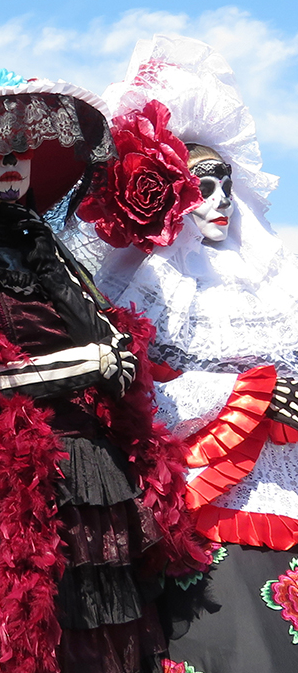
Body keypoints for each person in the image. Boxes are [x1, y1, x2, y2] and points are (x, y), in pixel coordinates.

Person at [0, 68, 207, 673]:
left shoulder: (56, 255)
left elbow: (112, 346)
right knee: (11, 633)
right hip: (5, 471)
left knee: (97, 632)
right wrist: (89, 365)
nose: (8, 164)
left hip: (91, 474)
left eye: (19, 151)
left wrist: (54, 272)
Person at [69, 34, 298, 673]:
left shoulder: (277, 282)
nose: (220, 200)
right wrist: (248, 397)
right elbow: (135, 401)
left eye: (226, 182)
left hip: (286, 502)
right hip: (189, 518)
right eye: (202, 185)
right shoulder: (141, 287)